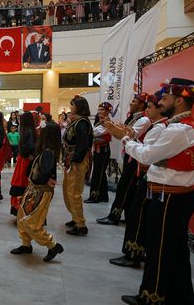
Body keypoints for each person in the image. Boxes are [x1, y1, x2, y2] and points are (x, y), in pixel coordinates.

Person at [120, 79, 194, 305]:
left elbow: (147, 156)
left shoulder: (179, 130)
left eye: (164, 98)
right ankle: (180, 299)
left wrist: (126, 140)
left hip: (170, 198)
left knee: (161, 250)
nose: (160, 102)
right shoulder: (179, 128)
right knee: (174, 252)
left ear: (179, 100)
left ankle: (152, 297)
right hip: (171, 197)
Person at [107, 92, 168, 269]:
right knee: (137, 212)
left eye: (150, 107)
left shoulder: (158, 127)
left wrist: (126, 138)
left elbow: (146, 154)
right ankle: (135, 252)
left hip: (148, 175)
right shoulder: (156, 125)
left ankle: (133, 253)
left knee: (138, 214)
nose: (146, 110)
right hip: (147, 173)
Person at [10, 122, 64, 261]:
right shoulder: (44, 150)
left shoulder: (47, 152)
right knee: (21, 216)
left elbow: (45, 172)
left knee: (32, 222)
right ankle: (26, 244)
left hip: (41, 192)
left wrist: (44, 179)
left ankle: (52, 245)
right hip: (33, 189)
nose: (38, 132)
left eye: (42, 130)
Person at [97, 93, 151, 225]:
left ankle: (114, 215)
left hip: (136, 158)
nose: (131, 103)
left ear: (142, 104)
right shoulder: (133, 117)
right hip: (130, 154)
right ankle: (128, 216)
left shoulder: (144, 120)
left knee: (124, 186)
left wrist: (112, 127)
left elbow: (129, 135)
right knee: (127, 187)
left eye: (134, 101)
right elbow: (124, 134)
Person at [62, 96, 93, 236]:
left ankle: (81, 224)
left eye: (72, 104)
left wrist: (75, 161)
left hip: (77, 162)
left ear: (79, 106)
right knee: (67, 190)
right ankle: (75, 218)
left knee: (74, 193)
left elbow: (83, 145)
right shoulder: (77, 122)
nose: (70, 107)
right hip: (71, 161)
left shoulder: (82, 123)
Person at [85, 102, 113, 204]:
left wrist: (90, 130)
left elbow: (95, 132)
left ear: (108, 111)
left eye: (103, 110)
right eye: (99, 109)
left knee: (97, 173)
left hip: (103, 150)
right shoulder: (100, 121)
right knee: (101, 173)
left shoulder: (108, 122)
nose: (100, 111)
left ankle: (94, 196)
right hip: (97, 148)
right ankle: (104, 196)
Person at [9, 112, 36, 216]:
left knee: (21, 182)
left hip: (24, 161)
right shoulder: (29, 131)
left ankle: (21, 209)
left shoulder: (27, 131)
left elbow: (29, 147)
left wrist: (25, 154)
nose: (19, 120)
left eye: (21, 118)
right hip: (24, 159)